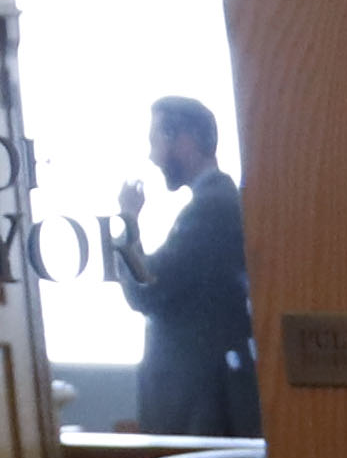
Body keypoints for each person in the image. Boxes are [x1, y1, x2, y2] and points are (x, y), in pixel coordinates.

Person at [105, 96, 257, 435]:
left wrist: (128, 220)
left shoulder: (211, 209)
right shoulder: (217, 203)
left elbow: (148, 290)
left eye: (155, 140)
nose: (152, 156)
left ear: (185, 139)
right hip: (201, 400)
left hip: (198, 406)